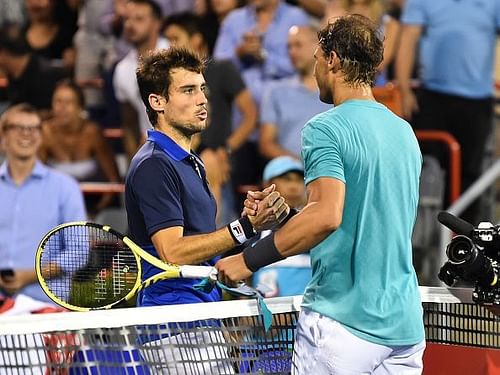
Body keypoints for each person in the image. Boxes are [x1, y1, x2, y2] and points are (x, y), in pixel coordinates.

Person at [216, 15, 426, 374]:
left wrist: (246, 260)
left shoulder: (325, 128)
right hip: (405, 329)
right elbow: (357, 221)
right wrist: (289, 219)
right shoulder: (404, 132)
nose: (314, 70)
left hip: (344, 326)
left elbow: (327, 217)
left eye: (316, 58)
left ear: (332, 60)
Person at [124, 46, 288, 373]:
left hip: (200, 320)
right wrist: (240, 229)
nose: (202, 99)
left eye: (202, 89)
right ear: (157, 102)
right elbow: (172, 252)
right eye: (188, 90)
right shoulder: (154, 165)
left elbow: (204, 251)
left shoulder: (191, 164)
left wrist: (249, 225)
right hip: (172, 324)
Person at [396, 0, 500, 225]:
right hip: (433, 98)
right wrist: (404, 89)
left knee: (470, 177)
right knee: (422, 170)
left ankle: (463, 247)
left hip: (477, 102)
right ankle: (417, 242)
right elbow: (408, 37)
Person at [162, 12, 258, 224]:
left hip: (218, 155)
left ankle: (214, 244)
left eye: (175, 39)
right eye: (168, 40)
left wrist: (227, 148)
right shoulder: (171, 79)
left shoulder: (222, 70)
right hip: (187, 152)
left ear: (196, 39)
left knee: (210, 163)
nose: (170, 46)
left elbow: (251, 114)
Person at [0, 103, 86, 304]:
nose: (26, 134)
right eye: (18, 127)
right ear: (3, 137)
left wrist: (32, 275)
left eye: (34, 128)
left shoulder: (65, 187)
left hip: (45, 309)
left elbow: (79, 251)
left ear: (41, 136)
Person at [38, 79, 121, 217]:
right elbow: (36, 179)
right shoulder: (45, 133)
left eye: (68, 102)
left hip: (94, 207)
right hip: (55, 206)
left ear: (80, 107)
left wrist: (94, 213)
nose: (62, 108)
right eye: (58, 102)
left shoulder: (93, 133)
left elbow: (114, 182)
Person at [259, 24, 331, 160]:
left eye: (298, 45)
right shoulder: (275, 91)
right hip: (290, 175)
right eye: (289, 47)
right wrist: (299, 166)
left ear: (317, 47)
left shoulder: (334, 92)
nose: (292, 52)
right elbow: (266, 143)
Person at [113, 0, 169, 160]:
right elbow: (129, 123)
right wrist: (134, 162)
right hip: (153, 156)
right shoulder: (122, 70)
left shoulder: (176, 57)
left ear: (157, 23)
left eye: (139, 19)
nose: (130, 25)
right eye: (127, 19)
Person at [252, 156, 310, 297]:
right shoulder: (253, 231)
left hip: (308, 316)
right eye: (286, 179)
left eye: (299, 180)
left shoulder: (317, 230)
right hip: (263, 316)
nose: (294, 186)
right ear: (267, 184)